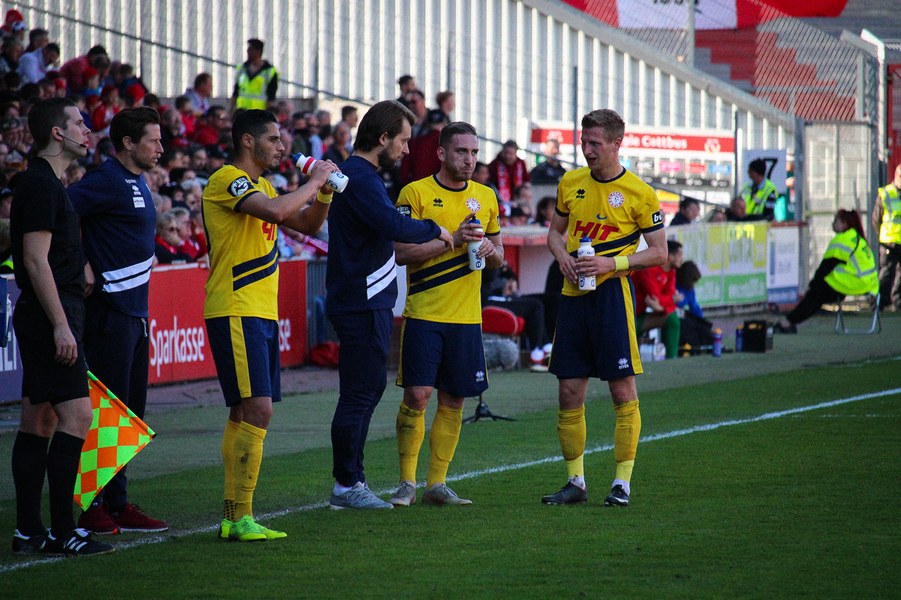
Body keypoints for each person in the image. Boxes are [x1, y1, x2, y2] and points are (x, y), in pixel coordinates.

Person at [203, 109, 336, 541]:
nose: (282, 147)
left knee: (244, 411)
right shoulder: (228, 179)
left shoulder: (264, 187)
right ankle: (240, 515)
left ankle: (232, 517)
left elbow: (307, 223)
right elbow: (277, 214)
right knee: (259, 409)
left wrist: (324, 194)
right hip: (236, 306)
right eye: (274, 139)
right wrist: (315, 180)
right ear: (248, 141)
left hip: (259, 310)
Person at [325, 100, 453, 510]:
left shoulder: (360, 176)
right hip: (361, 300)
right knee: (360, 391)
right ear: (383, 138)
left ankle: (351, 481)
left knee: (366, 388)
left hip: (364, 299)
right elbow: (394, 225)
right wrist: (435, 228)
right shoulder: (361, 177)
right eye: (403, 140)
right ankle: (347, 484)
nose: (406, 149)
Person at [543, 108, 666, 508]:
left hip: (612, 298)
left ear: (617, 143)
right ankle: (575, 482)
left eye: (595, 143)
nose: (587, 149)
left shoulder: (639, 192)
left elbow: (659, 252)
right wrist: (561, 256)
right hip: (573, 297)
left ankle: (621, 483)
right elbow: (554, 233)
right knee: (568, 390)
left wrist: (612, 264)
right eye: (584, 141)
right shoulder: (571, 182)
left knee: (621, 388)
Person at [9, 98, 114, 556]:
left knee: (40, 418)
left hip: (52, 311)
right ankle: (63, 531)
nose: (87, 130)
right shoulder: (40, 184)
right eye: (78, 123)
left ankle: (29, 531)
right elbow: (34, 260)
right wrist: (60, 324)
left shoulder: (48, 184)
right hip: (50, 315)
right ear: (57, 133)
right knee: (77, 416)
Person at [387, 121, 503, 508]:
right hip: (424, 314)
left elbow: (500, 254)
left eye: (474, 153)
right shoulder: (415, 193)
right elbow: (401, 252)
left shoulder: (485, 196)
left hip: (466, 318)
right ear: (441, 153)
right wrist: (451, 239)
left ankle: (437, 484)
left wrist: (490, 249)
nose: (470, 160)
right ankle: (406, 482)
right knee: (418, 395)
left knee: (454, 400)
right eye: (461, 152)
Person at [68, 107, 169, 535]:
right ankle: (90, 506)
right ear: (128, 143)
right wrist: (82, 262)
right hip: (109, 312)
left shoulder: (137, 181)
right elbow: (59, 211)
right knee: (107, 414)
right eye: (153, 140)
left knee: (128, 414)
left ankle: (118, 501)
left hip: (135, 312)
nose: (161, 147)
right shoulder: (106, 179)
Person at [775, 209, 878, 333]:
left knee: (815, 295)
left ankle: (787, 322)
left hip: (852, 284)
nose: (832, 223)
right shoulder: (858, 239)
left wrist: (812, 285)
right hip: (869, 285)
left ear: (844, 224)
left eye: (836, 221)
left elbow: (826, 267)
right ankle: (790, 321)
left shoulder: (841, 240)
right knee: (819, 292)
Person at [632, 239, 684, 359]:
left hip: (640, 315)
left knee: (672, 318)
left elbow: (667, 299)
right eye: (680, 255)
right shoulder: (649, 269)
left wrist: (661, 308)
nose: (682, 258)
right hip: (629, 317)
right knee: (671, 317)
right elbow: (657, 298)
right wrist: (668, 302)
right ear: (670, 256)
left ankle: (671, 359)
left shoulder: (671, 272)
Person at [872, 163, 901, 312]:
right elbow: (876, 219)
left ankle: (898, 302)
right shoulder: (886, 194)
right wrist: (882, 236)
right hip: (889, 241)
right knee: (886, 273)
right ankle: (879, 303)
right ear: (896, 176)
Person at [230, 39, 278, 113]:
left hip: (259, 113)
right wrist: (232, 109)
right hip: (242, 111)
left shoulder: (269, 71)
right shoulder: (242, 69)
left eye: (250, 49)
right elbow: (236, 91)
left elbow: (271, 96)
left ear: (258, 51)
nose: (247, 51)